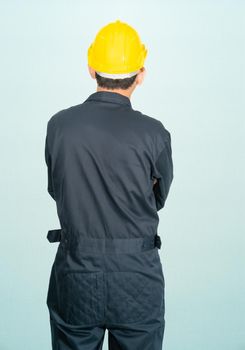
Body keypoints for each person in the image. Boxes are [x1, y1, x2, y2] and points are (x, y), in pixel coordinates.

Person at [45, 19, 174, 350]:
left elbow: (56, 189)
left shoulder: (59, 127)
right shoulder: (154, 134)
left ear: (91, 68)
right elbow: (157, 198)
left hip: (76, 274)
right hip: (136, 278)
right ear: (140, 73)